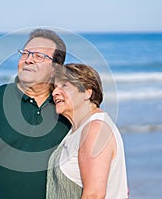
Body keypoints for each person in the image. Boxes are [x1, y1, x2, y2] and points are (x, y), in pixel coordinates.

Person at [0, 29, 71, 199]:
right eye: (25, 54)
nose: (28, 60)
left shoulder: (66, 102)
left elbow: (91, 143)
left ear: (55, 69)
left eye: (38, 56)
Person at [47, 63, 128, 199]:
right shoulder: (77, 129)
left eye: (64, 86)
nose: (55, 92)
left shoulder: (95, 129)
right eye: (55, 87)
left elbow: (94, 195)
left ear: (86, 92)